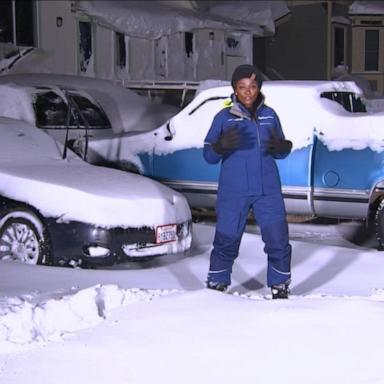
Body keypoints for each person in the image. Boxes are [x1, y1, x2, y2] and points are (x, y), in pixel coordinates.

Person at [203, 64, 292, 299]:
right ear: (235, 88)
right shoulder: (223, 117)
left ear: (259, 88)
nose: (248, 91)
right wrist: (220, 146)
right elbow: (208, 156)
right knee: (226, 238)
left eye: (253, 86)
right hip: (234, 191)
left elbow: (279, 148)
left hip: (267, 189)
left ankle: (280, 284)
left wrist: (283, 147)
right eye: (242, 87)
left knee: (277, 238)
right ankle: (217, 283)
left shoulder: (269, 115)